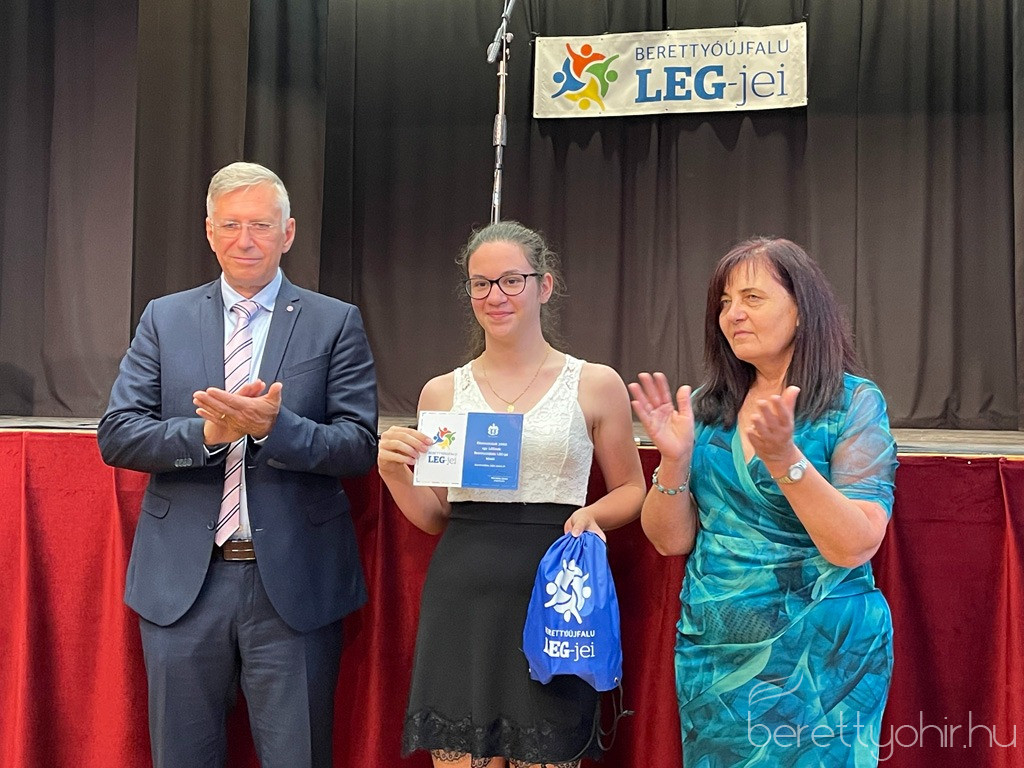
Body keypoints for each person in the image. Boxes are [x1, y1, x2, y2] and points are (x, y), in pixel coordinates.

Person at [97, 161, 378, 768]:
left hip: (295, 587)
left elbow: (358, 445)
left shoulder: (334, 321)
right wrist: (207, 434)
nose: (244, 240)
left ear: (288, 232)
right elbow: (117, 435)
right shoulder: (164, 318)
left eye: (260, 225)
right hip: (182, 588)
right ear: (209, 232)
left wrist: (277, 430)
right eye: (230, 225)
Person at [377, 220, 645, 768]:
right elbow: (435, 516)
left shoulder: (595, 383)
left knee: (546, 753)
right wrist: (394, 474)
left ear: (544, 286)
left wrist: (592, 514)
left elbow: (632, 489)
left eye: (511, 281)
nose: (495, 296)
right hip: (463, 593)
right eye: (481, 284)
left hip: (555, 592)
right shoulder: (441, 392)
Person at [629, 237, 897, 766]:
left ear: (802, 310)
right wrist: (674, 461)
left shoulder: (853, 403)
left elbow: (855, 545)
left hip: (823, 653)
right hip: (716, 653)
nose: (733, 314)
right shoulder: (706, 407)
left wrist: (785, 460)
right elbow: (669, 541)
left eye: (752, 298)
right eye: (725, 302)